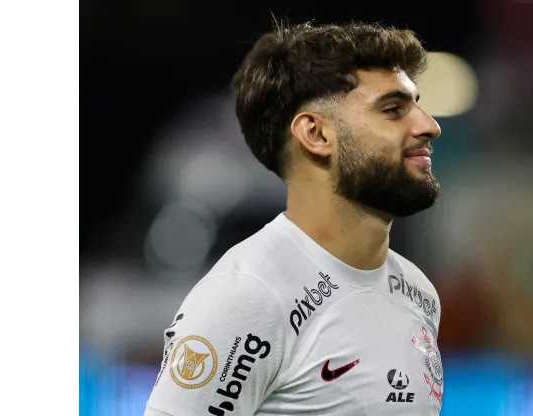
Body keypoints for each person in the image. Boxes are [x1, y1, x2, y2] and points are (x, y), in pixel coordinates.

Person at [144, 19, 445, 416]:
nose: (429, 126)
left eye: (418, 106)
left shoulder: (419, 293)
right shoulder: (248, 297)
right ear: (316, 135)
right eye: (393, 110)